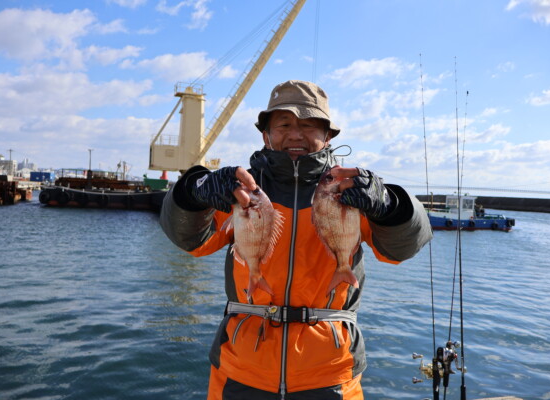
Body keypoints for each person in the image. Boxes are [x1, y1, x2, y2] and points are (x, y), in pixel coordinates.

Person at [160, 80, 433, 399]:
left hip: (331, 371)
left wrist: (390, 204)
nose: (295, 134)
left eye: (308, 125)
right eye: (284, 124)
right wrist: (195, 191)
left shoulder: (350, 190)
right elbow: (190, 240)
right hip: (241, 370)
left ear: (328, 135)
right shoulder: (242, 191)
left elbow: (402, 249)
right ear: (266, 134)